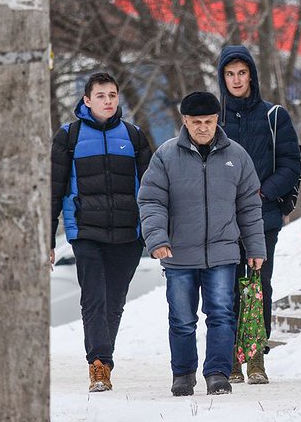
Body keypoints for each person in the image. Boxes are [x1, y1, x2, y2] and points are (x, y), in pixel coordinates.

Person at [137, 91, 265, 397]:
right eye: (196, 122)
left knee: (221, 314)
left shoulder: (237, 155)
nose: (203, 127)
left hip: (222, 252)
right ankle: (183, 374)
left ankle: (218, 373)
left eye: (208, 121)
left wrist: (255, 247)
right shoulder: (166, 156)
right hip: (179, 254)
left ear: (217, 120)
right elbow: (152, 201)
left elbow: (249, 206)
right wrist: (157, 239)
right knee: (182, 319)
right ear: (185, 121)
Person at [49, 71, 153, 392]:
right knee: (93, 297)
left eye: (112, 95)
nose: (107, 101)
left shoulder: (134, 137)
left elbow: (152, 190)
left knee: (114, 301)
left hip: (128, 234)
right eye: (100, 96)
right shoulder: (69, 137)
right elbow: (53, 189)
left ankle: (102, 360)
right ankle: (98, 365)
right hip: (86, 233)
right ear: (86, 100)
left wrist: (155, 232)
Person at [217, 44, 301, 384]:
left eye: (242, 72)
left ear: (251, 74)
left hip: (262, 216)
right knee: (225, 288)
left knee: (258, 285)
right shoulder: (215, 118)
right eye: (230, 74)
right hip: (221, 219)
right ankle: (230, 359)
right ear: (223, 78)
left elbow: (291, 165)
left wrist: (263, 191)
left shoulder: (274, 116)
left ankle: (255, 358)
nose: (236, 79)